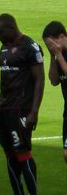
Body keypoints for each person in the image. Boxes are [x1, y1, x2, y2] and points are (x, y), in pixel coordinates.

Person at [0, 13, 45, 195]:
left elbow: (39, 80)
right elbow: (4, 83)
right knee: (9, 153)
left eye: (0, 31)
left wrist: (34, 112)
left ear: (12, 27)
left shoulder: (30, 47)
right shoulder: (4, 47)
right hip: (6, 110)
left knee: (22, 152)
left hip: (22, 109)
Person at [41, 21, 67, 166]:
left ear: (61, 37)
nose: (49, 47)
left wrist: (58, 54)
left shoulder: (62, 55)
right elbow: (54, 80)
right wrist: (52, 57)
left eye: (50, 44)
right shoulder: (59, 56)